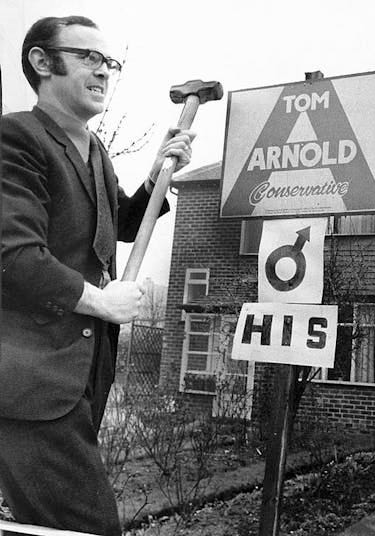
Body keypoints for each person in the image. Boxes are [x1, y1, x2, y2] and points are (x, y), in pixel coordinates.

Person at [0, 15, 195, 535]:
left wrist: (157, 175)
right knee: (88, 526)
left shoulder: (95, 150)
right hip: (30, 383)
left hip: (82, 375)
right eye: (89, 57)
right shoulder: (15, 138)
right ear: (42, 62)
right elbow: (13, 256)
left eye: (110, 62)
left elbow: (117, 227)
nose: (105, 71)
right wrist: (102, 303)